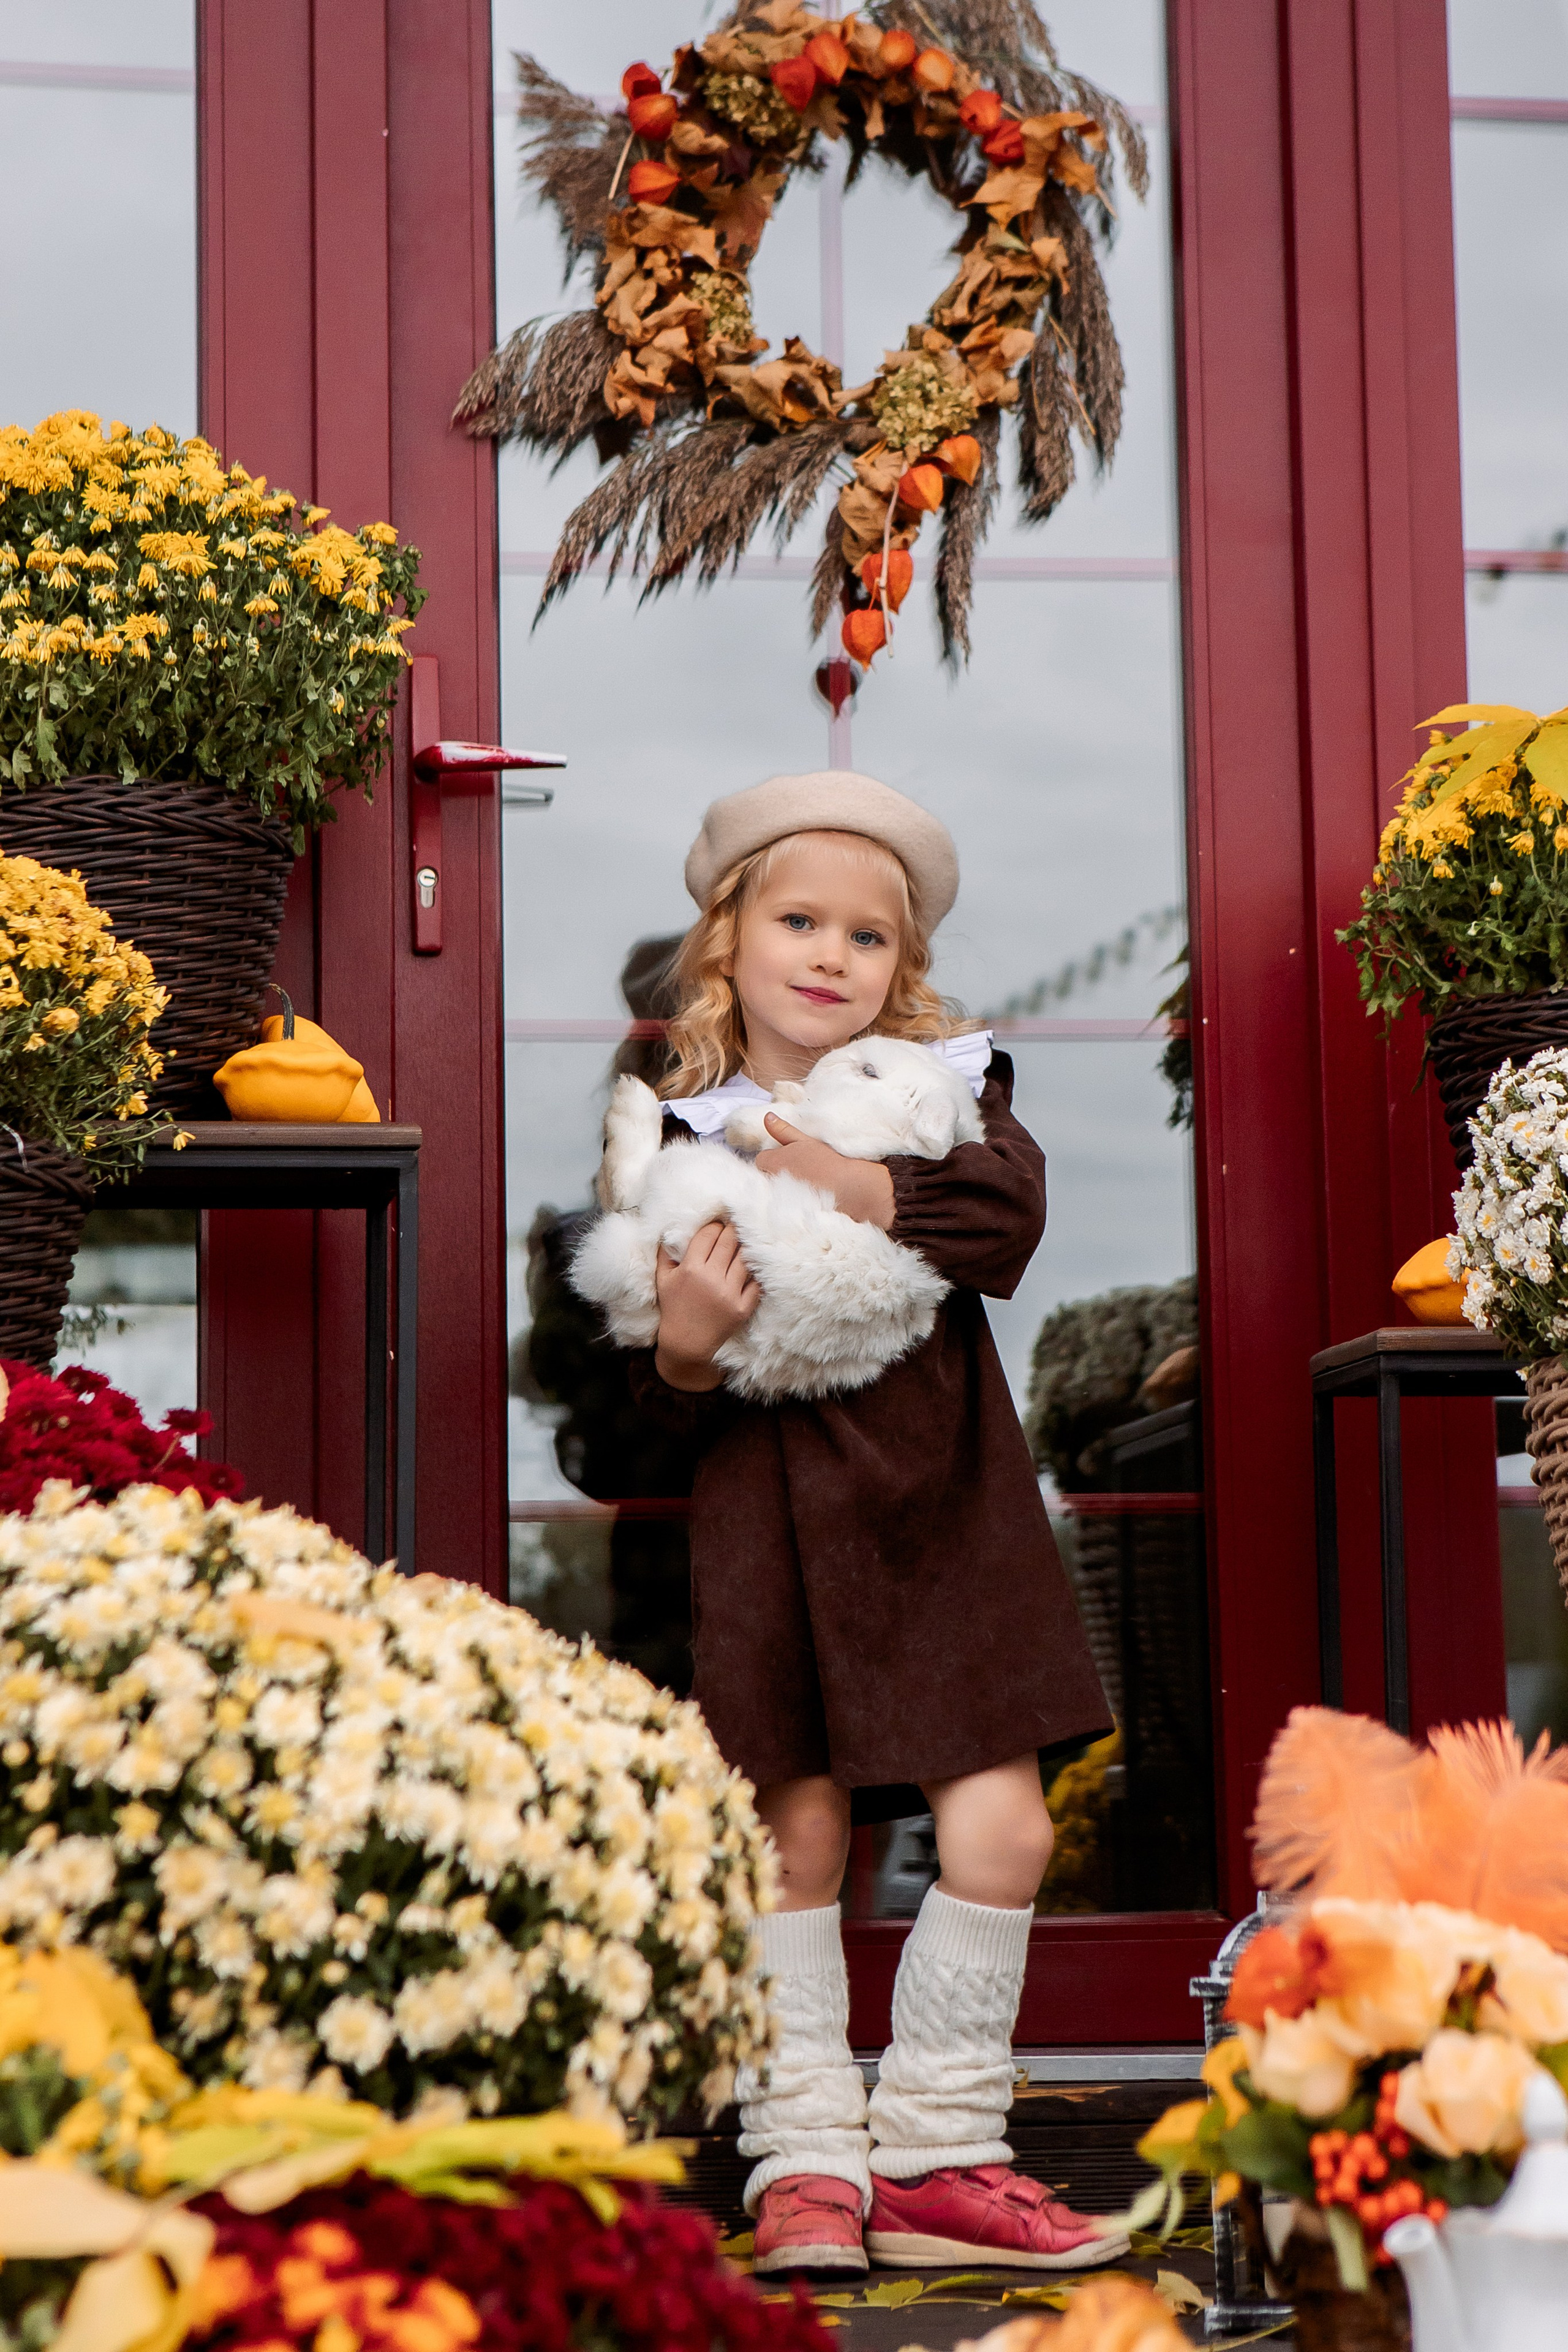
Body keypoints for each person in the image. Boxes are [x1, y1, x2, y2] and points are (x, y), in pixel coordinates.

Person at [624, 771, 1121, 2277]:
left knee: (1003, 1824)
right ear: (726, 945)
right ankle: (807, 2161)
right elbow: (623, 1405)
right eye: (798, 921)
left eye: (866, 937)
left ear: (902, 972)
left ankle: (940, 2146)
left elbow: (1003, 1223)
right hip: (765, 1516)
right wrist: (687, 1343)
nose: (830, 955)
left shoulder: (947, 1087)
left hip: (945, 1502)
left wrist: (853, 1182)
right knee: (796, 1833)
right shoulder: (671, 1133)